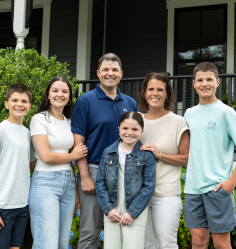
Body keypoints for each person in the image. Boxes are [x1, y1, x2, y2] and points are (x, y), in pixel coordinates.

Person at [71, 53, 139, 249]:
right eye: (106, 70)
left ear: (121, 74)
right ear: (98, 73)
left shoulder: (129, 103)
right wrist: (84, 176)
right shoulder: (86, 100)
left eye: (115, 70)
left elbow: (135, 138)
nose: (110, 73)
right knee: (89, 231)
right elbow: (78, 142)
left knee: (119, 230)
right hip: (93, 170)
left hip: (123, 173)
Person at [29, 76, 88, 249]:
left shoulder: (69, 123)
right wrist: (74, 155)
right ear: (48, 95)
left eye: (64, 91)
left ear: (70, 97)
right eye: (55, 91)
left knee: (62, 243)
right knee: (46, 243)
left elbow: (66, 157)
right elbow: (46, 156)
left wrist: (75, 191)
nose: (59, 94)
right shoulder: (39, 119)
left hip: (68, 184)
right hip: (45, 183)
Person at [183, 62, 236, 249]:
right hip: (192, 188)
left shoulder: (227, 113)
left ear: (218, 82)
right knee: (198, 242)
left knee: (221, 244)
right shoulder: (189, 114)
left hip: (217, 188)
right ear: (194, 84)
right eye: (200, 80)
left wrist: (231, 183)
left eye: (209, 79)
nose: (204, 84)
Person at [0, 83, 36, 249]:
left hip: (22, 205)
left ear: (30, 106)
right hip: (2, 206)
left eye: (24, 101)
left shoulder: (27, 133)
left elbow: (32, 164)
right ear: (6, 104)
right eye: (15, 100)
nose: (19, 104)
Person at [138, 73, 190, 249]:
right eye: (151, 89)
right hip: (140, 195)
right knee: (146, 245)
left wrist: (159, 154)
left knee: (166, 244)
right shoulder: (137, 122)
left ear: (167, 94)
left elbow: (187, 158)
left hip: (166, 195)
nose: (155, 93)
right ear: (145, 93)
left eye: (160, 89)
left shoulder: (178, 122)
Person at [95, 111, 156, 249]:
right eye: (125, 128)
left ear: (142, 131)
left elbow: (149, 186)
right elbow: (100, 182)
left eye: (135, 129)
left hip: (135, 212)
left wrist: (132, 212)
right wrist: (108, 209)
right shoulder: (108, 152)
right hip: (112, 211)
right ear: (119, 129)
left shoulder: (146, 155)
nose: (129, 133)